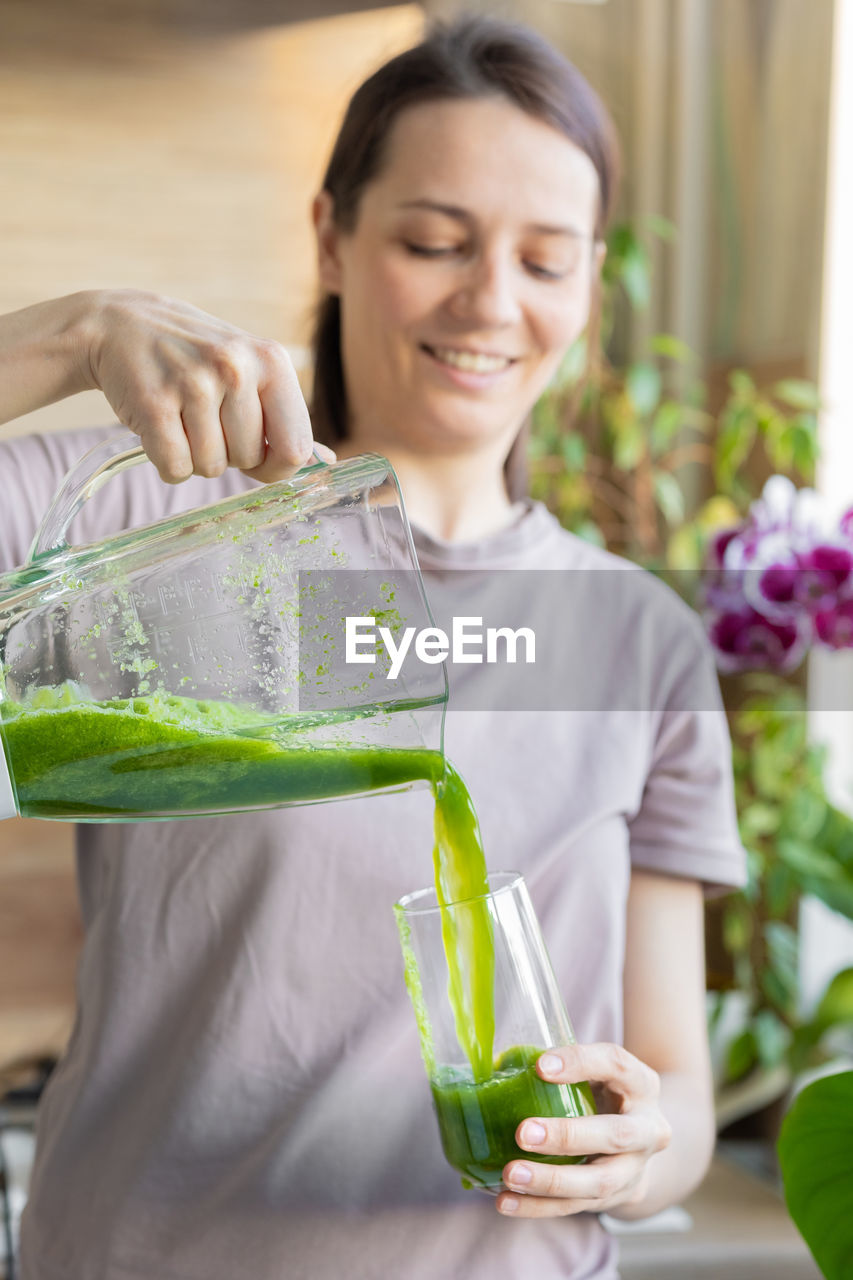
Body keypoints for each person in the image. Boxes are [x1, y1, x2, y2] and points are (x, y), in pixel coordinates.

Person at [0, 16, 744, 1280]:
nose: (490, 302)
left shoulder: (641, 637)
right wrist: (75, 332)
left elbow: (673, 1080)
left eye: (547, 260)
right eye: (433, 241)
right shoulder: (148, 518)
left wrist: (641, 1144)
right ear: (333, 238)